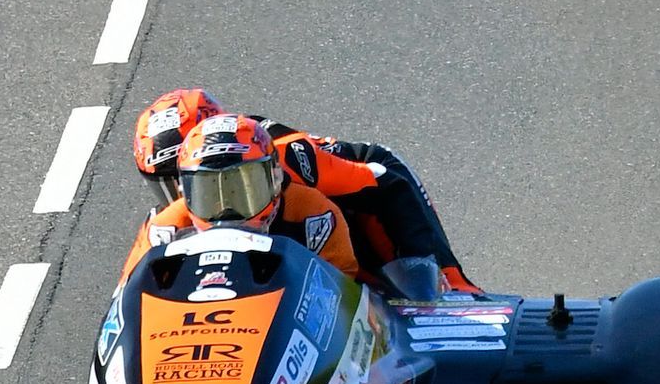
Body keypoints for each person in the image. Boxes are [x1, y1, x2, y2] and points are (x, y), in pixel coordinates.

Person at [126, 89, 472, 293]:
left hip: (365, 189)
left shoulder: (282, 157)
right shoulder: (169, 220)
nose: (177, 195)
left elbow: (382, 182)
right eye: (173, 183)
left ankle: (461, 291)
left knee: (410, 290)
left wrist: (431, 277)